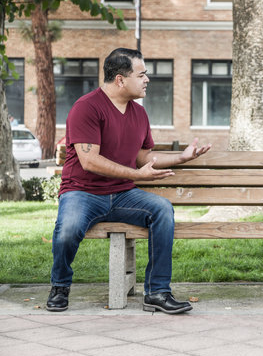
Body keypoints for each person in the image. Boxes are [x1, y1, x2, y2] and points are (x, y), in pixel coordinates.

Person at [46, 48, 211, 314]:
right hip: (82, 192)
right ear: (121, 79)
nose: (147, 80)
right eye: (142, 74)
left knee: (162, 209)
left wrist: (182, 157)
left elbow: (142, 156)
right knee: (67, 231)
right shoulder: (86, 107)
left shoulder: (139, 113)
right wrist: (137, 175)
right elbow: (90, 161)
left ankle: (157, 292)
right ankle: (60, 286)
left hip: (122, 195)